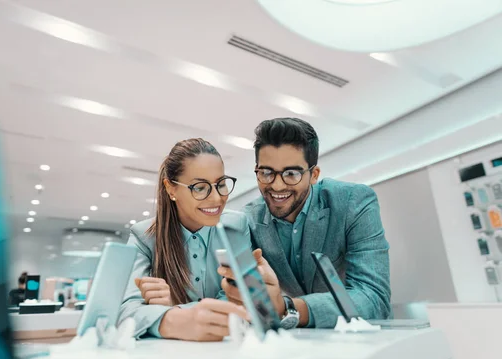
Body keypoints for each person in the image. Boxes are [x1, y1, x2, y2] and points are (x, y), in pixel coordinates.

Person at [220, 117, 391, 328]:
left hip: (363, 335)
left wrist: (288, 307)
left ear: (314, 175)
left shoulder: (353, 202)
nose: (277, 185)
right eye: (266, 173)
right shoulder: (250, 220)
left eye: (291, 174)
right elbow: (246, 297)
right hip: (301, 343)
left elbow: (374, 297)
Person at [118, 138, 249, 341]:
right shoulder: (144, 236)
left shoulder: (237, 226)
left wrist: (174, 309)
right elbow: (125, 311)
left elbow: (239, 299)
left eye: (220, 184)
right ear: (171, 189)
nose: (216, 198)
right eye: (199, 187)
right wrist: (174, 320)